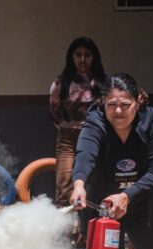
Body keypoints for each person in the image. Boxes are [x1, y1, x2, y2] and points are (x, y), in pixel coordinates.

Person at [70, 73, 153, 249]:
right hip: (102, 204)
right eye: (111, 105)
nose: (118, 111)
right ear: (102, 102)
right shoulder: (95, 122)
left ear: (138, 100)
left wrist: (126, 196)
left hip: (142, 200)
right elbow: (85, 154)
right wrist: (79, 183)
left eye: (125, 104)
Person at [49, 36, 106, 208]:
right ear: (71, 57)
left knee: (94, 183)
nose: (82, 59)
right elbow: (54, 112)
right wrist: (69, 126)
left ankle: (89, 231)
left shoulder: (104, 83)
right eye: (78, 55)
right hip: (68, 138)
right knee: (64, 185)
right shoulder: (61, 82)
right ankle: (66, 233)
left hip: (95, 137)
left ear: (94, 57)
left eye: (87, 55)